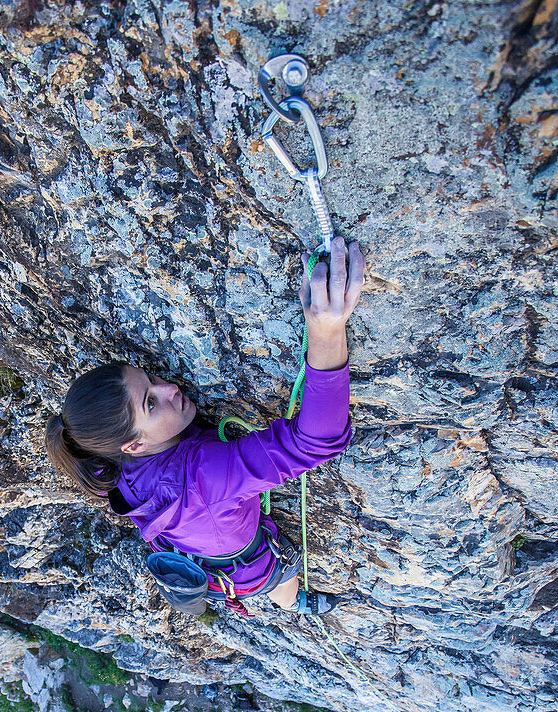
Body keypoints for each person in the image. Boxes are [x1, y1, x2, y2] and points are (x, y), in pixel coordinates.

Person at [46, 237, 365, 615]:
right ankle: (296, 602)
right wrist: (326, 331)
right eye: (151, 402)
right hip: (251, 569)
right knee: (281, 579)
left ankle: (292, 602)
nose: (168, 389)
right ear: (132, 445)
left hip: (210, 563)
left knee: (273, 582)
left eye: (150, 380)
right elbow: (316, 442)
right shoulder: (203, 477)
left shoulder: (112, 465)